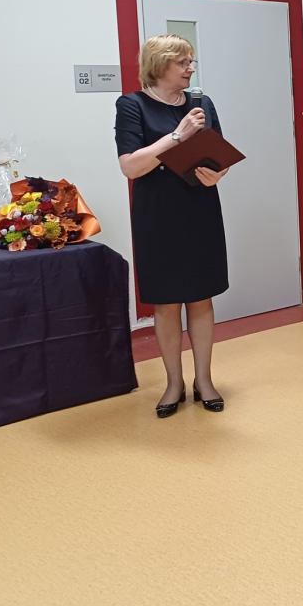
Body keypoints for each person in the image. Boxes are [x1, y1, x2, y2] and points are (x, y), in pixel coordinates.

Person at [115, 35, 230, 417]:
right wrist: (177, 136)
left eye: (191, 61)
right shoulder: (132, 105)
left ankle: (204, 380)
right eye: (183, 62)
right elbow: (131, 166)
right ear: (159, 64)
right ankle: (173, 383)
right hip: (157, 214)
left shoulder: (202, 103)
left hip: (199, 208)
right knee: (165, 302)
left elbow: (219, 154)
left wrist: (218, 174)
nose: (190, 68)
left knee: (201, 297)